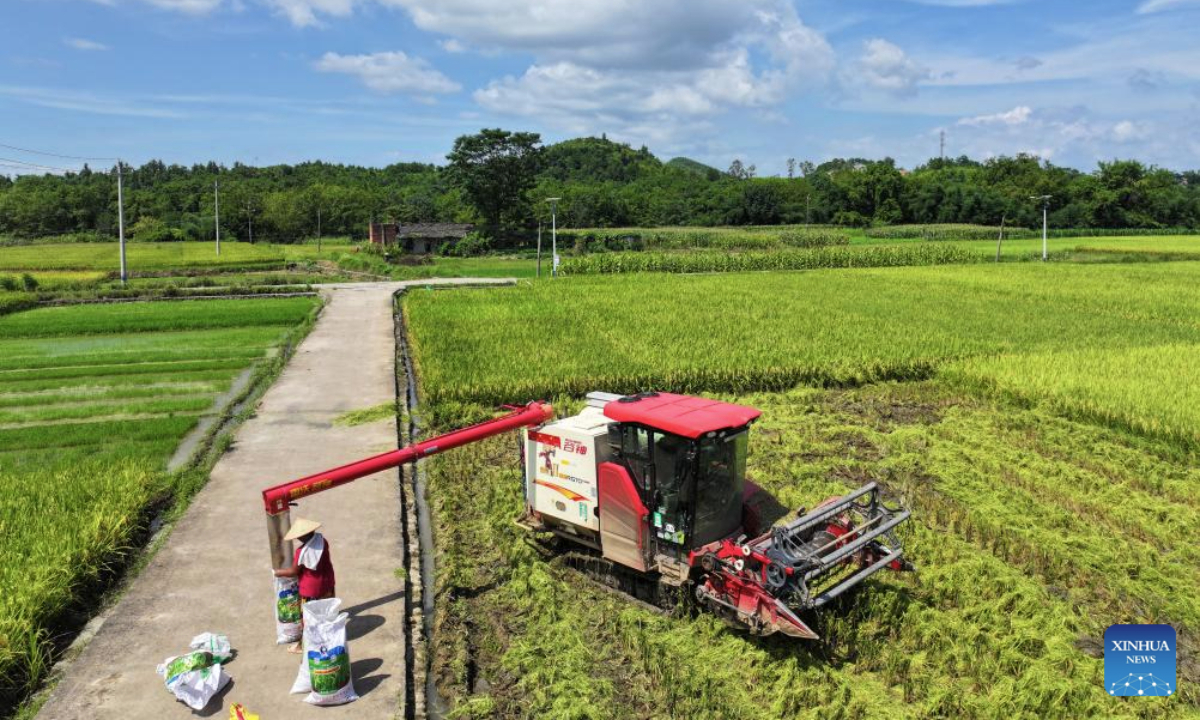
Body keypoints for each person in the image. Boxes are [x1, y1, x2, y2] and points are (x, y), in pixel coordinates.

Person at [274, 517, 336, 653]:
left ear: (302, 536)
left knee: (307, 620)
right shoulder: (322, 541)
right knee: (325, 614)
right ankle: (329, 639)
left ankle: (303, 646)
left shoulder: (301, 552)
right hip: (327, 583)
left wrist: (277, 572)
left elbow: (293, 572)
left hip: (311, 590)